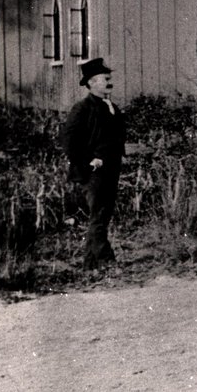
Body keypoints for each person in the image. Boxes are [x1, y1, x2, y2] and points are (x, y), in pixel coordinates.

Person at [61, 58, 127, 270]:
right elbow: (68, 140)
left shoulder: (112, 107)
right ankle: (106, 260)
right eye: (103, 79)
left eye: (108, 79)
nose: (108, 83)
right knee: (98, 215)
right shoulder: (82, 108)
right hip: (93, 172)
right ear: (91, 83)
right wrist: (88, 161)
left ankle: (90, 264)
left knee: (102, 216)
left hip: (111, 169)